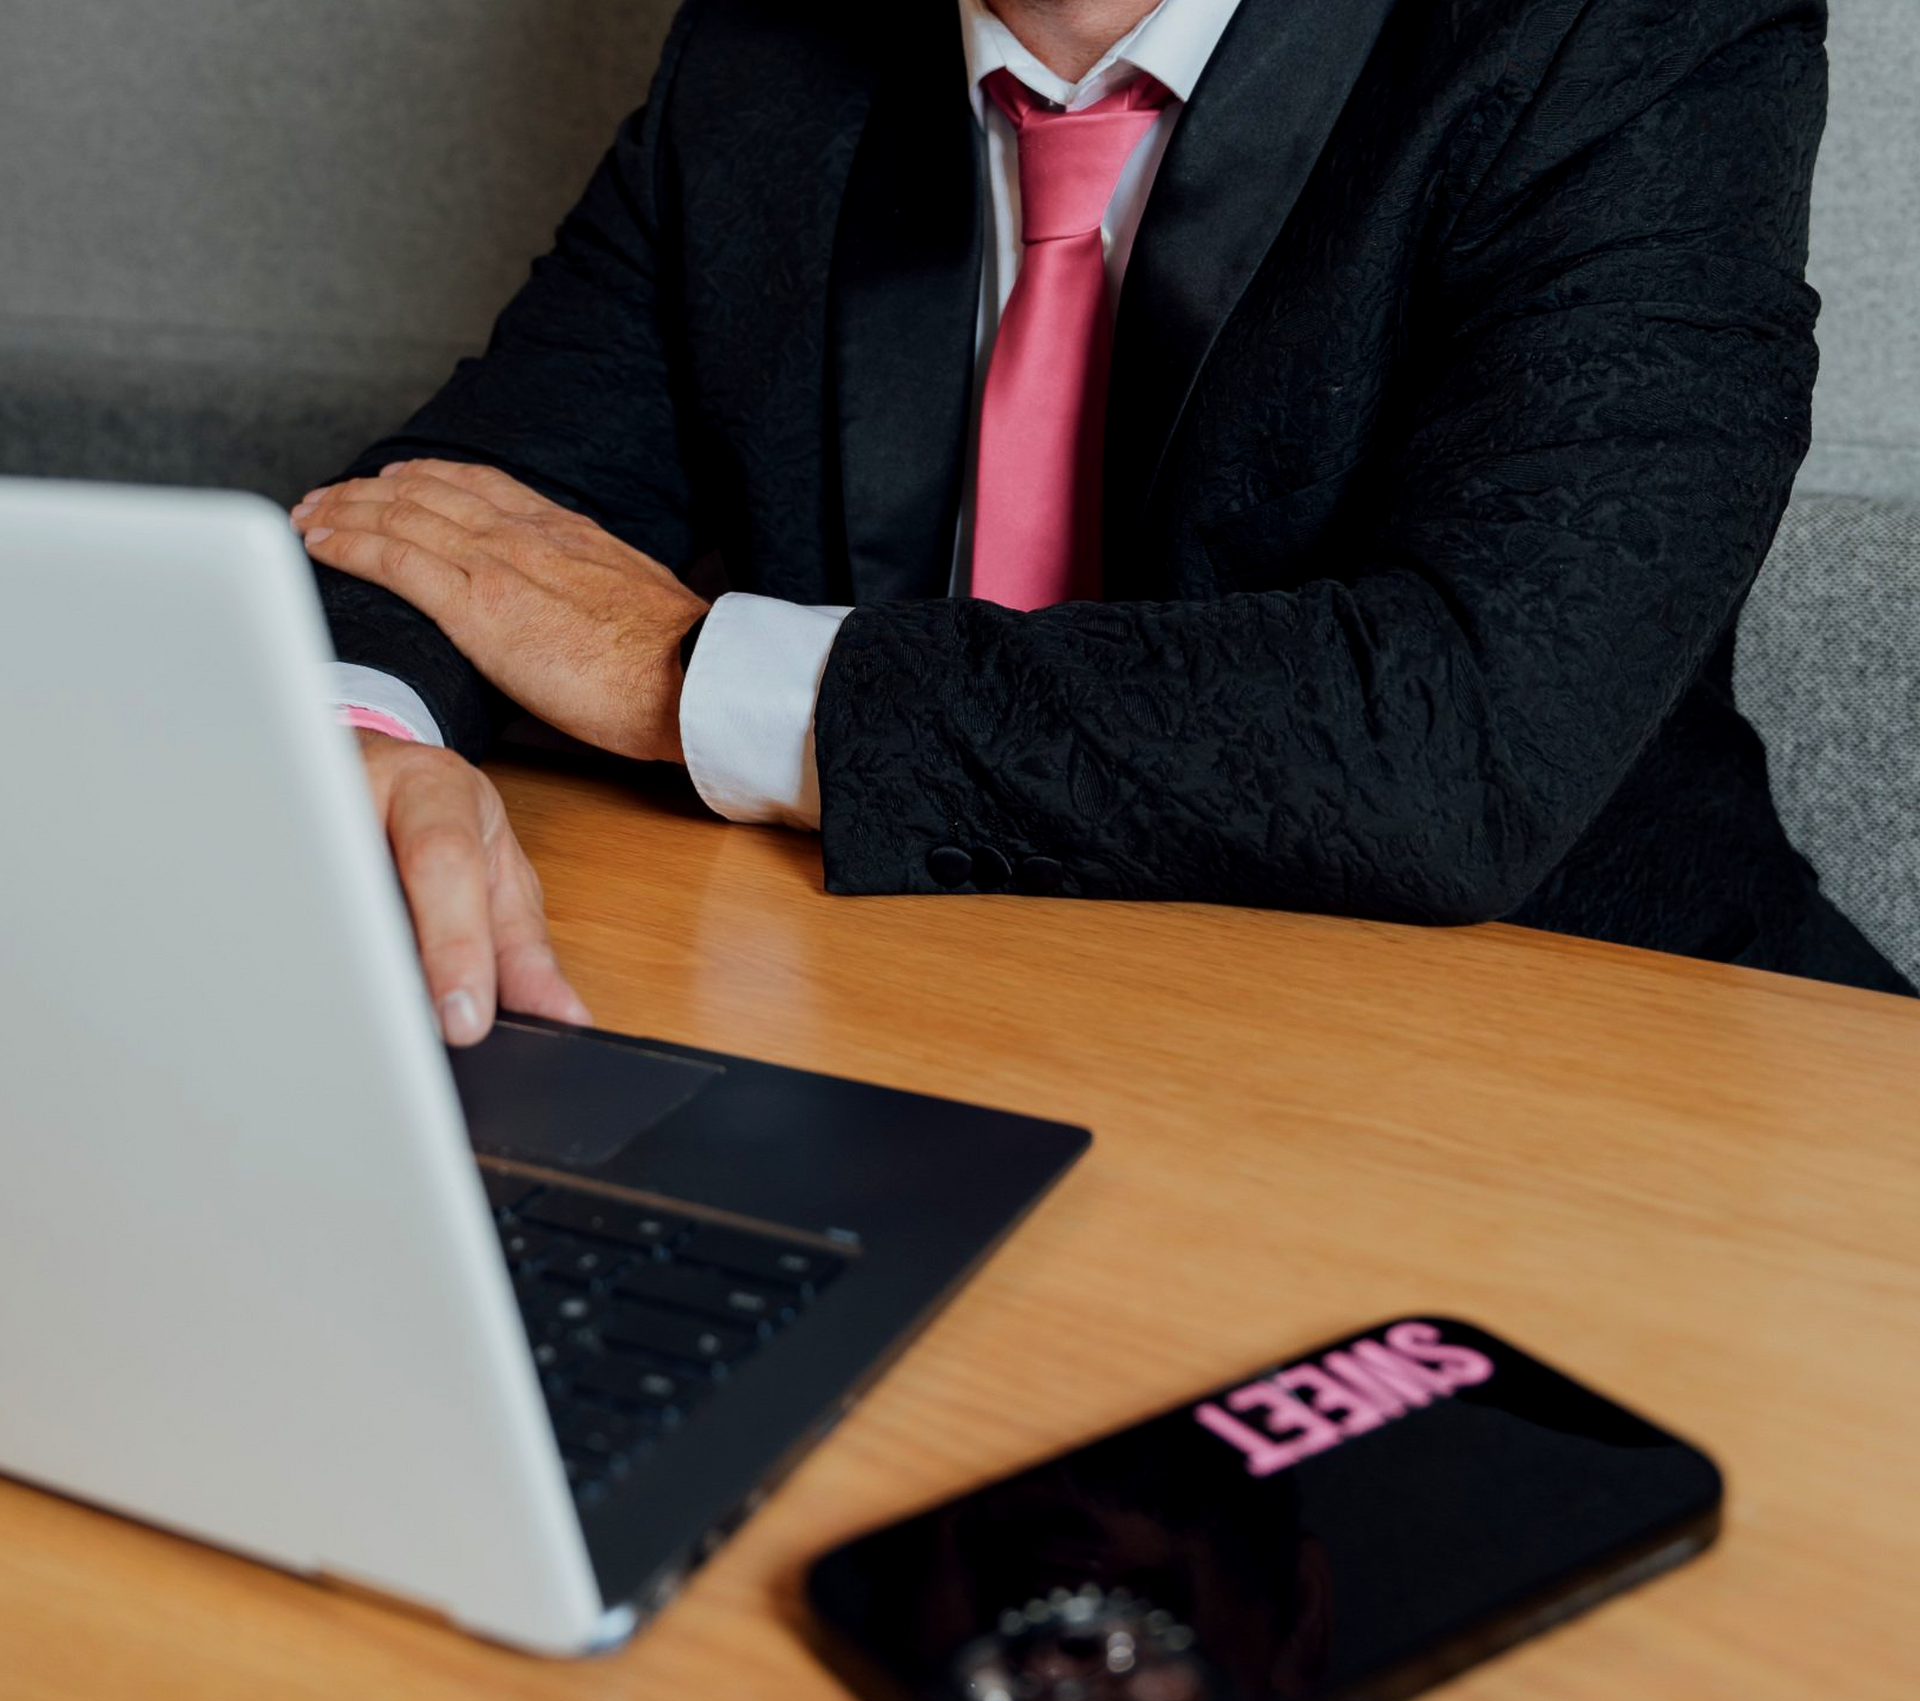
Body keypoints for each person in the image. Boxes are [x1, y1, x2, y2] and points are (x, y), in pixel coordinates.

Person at [288, 0, 1913, 1046]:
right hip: (949, 1049)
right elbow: (444, 519)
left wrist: (694, 678)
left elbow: (1461, 736)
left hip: (1580, 1057)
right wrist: (364, 746)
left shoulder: (1629, 33)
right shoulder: (761, 57)